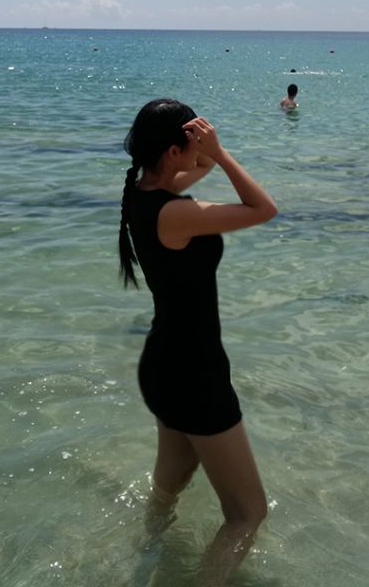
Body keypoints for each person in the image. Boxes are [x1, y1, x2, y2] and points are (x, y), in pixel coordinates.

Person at [118, 98, 277, 585]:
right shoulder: (177, 214)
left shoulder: (143, 194)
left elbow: (195, 168)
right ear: (171, 152)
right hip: (194, 372)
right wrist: (222, 154)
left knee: (171, 483)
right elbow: (263, 209)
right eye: (188, 143)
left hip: (163, 366)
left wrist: (202, 148)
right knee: (247, 514)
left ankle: (141, 553)